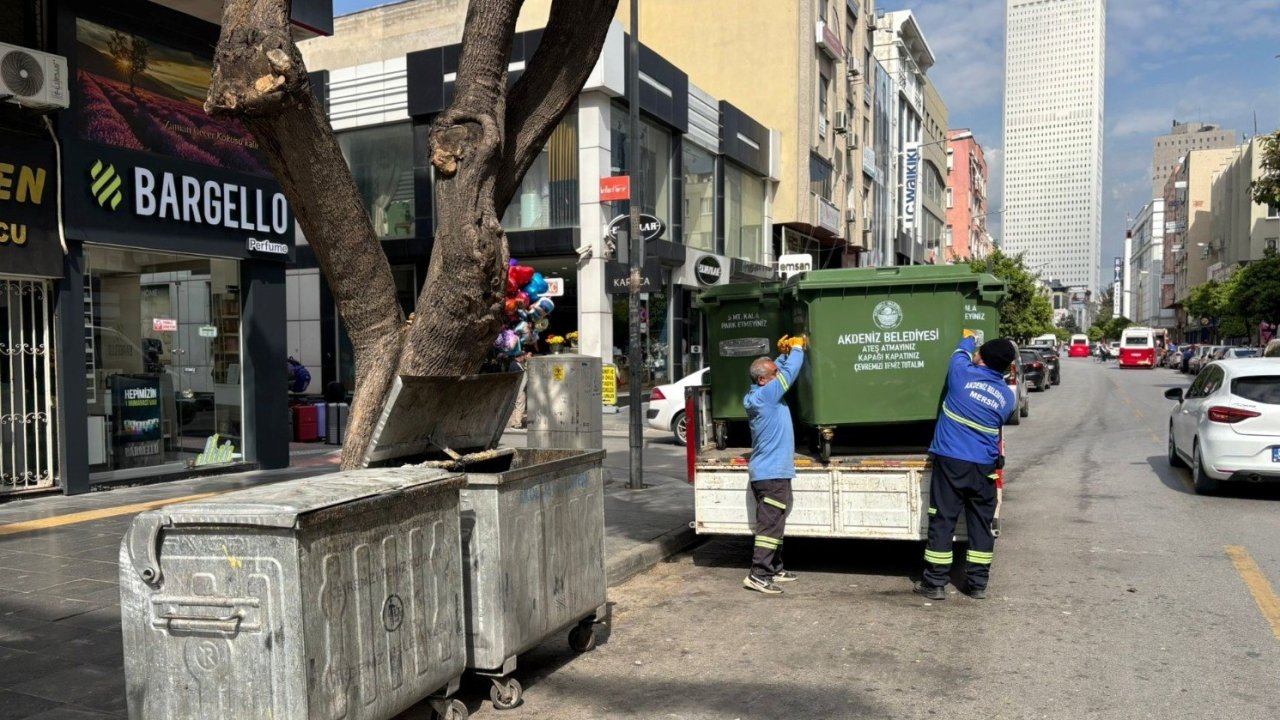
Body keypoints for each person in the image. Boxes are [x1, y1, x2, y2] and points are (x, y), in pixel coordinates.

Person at [914, 333, 1017, 601]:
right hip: (984, 468)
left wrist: (969, 338)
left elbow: (958, 354)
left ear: (981, 357)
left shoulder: (962, 376)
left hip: (952, 463)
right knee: (981, 525)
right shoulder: (1007, 398)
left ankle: (935, 582)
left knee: (943, 520)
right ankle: (978, 584)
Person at [741, 335, 806, 595]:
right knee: (769, 526)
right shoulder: (766, 396)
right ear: (762, 380)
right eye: (773, 373)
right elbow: (788, 375)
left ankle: (775, 568)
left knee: (776, 521)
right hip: (771, 474)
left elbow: (777, 371)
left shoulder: (761, 394)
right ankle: (759, 574)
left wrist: (782, 354)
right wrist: (798, 349)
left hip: (770, 472)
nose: (777, 374)